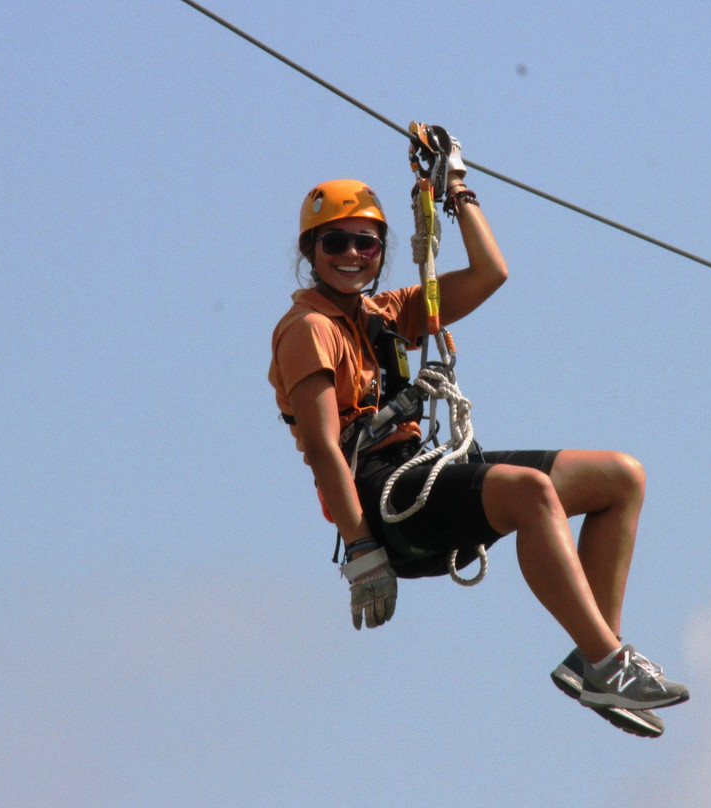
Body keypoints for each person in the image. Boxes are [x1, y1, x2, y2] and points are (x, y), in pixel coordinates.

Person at [268, 140, 688, 738]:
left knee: (621, 477)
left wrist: (457, 191)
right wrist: (360, 549)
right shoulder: (309, 329)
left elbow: (492, 272)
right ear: (311, 251)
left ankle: (597, 656)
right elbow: (324, 450)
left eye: (367, 242)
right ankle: (607, 662)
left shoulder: (385, 313)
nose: (353, 254)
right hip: (382, 499)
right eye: (336, 241)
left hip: (420, 471)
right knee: (531, 492)